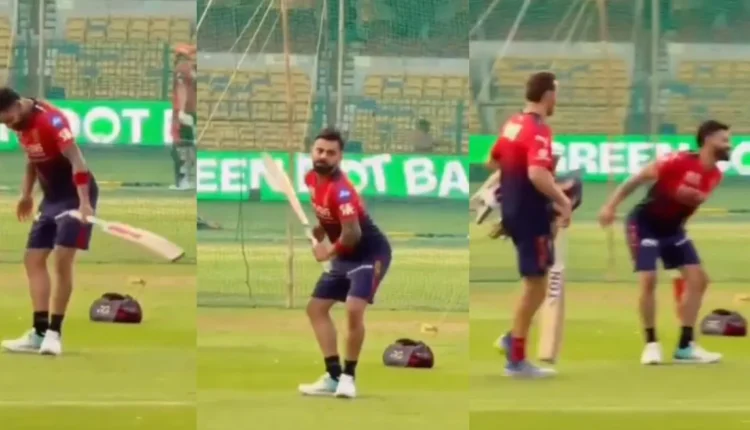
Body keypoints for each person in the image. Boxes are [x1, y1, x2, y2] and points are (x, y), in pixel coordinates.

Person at [598, 120, 730, 365]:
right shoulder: (676, 161)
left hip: (673, 229)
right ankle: (651, 345)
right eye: (724, 140)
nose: (728, 145)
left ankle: (685, 347)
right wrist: (610, 206)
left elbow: (690, 200)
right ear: (708, 140)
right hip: (644, 224)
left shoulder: (715, 175)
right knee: (649, 279)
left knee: (699, 280)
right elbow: (636, 179)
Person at [0, 88, 98, 356]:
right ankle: (39, 332)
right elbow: (32, 161)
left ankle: (54, 334)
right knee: (33, 258)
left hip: (75, 195)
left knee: (62, 260)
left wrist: (85, 203)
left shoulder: (51, 120)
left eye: (7, 120)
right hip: (52, 198)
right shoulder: (21, 124)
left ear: (16, 106)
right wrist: (26, 195)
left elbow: (78, 160)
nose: (8, 126)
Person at [297, 128, 392, 399]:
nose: (323, 156)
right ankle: (333, 375)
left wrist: (327, 252)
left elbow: (352, 234)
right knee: (316, 309)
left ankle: (348, 378)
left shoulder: (342, 191)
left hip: (369, 253)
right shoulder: (310, 179)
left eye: (330, 153)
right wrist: (321, 230)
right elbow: (330, 217)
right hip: (345, 255)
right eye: (319, 150)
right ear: (312, 151)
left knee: (353, 309)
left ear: (339, 157)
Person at [490, 72, 572, 379]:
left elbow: (493, 161)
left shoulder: (513, 123)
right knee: (535, 285)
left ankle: (514, 341)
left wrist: (510, 192)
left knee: (535, 281)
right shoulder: (538, 130)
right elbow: (537, 174)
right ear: (548, 95)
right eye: (556, 93)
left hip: (515, 211)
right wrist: (562, 200)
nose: (557, 99)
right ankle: (515, 355)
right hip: (530, 213)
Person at [170, 43, 197, 191]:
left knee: (179, 146)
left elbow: (182, 90)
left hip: (183, 111)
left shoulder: (180, 69)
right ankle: (190, 178)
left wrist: (181, 110)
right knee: (190, 145)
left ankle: (183, 180)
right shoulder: (192, 70)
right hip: (192, 111)